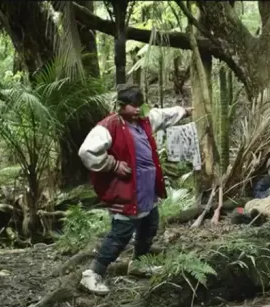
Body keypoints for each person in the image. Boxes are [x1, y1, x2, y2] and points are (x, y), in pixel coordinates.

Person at [77, 84, 193, 295]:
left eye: (140, 105)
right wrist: (112, 164)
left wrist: (183, 111)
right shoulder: (109, 126)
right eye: (133, 105)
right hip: (127, 191)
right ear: (121, 106)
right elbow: (87, 151)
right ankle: (92, 274)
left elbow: (163, 115)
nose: (138, 109)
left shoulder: (143, 122)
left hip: (146, 190)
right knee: (120, 235)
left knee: (149, 225)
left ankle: (139, 263)